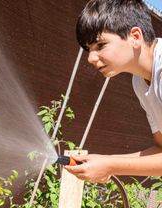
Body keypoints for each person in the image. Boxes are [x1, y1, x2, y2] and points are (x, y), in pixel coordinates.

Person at [65, 0, 162, 183]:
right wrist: (107, 162)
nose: (91, 58)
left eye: (100, 45)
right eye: (89, 49)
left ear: (135, 36)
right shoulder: (140, 82)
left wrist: (111, 165)